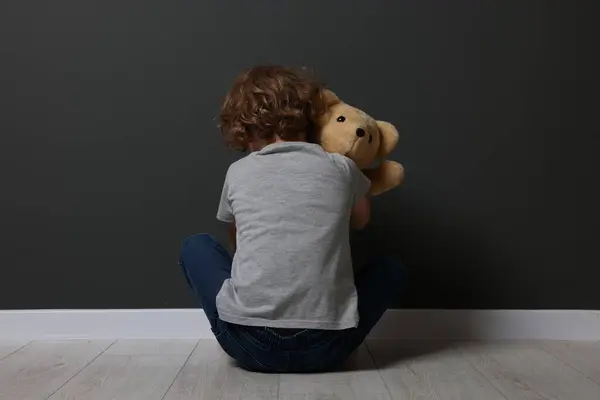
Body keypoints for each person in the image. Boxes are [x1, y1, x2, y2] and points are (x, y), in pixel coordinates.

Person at [178, 65, 406, 373]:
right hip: (327, 347)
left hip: (249, 345)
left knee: (197, 246)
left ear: (243, 129)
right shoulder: (341, 167)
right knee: (389, 269)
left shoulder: (238, 172)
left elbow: (238, 239)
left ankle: (250, 313)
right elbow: (360, 220)